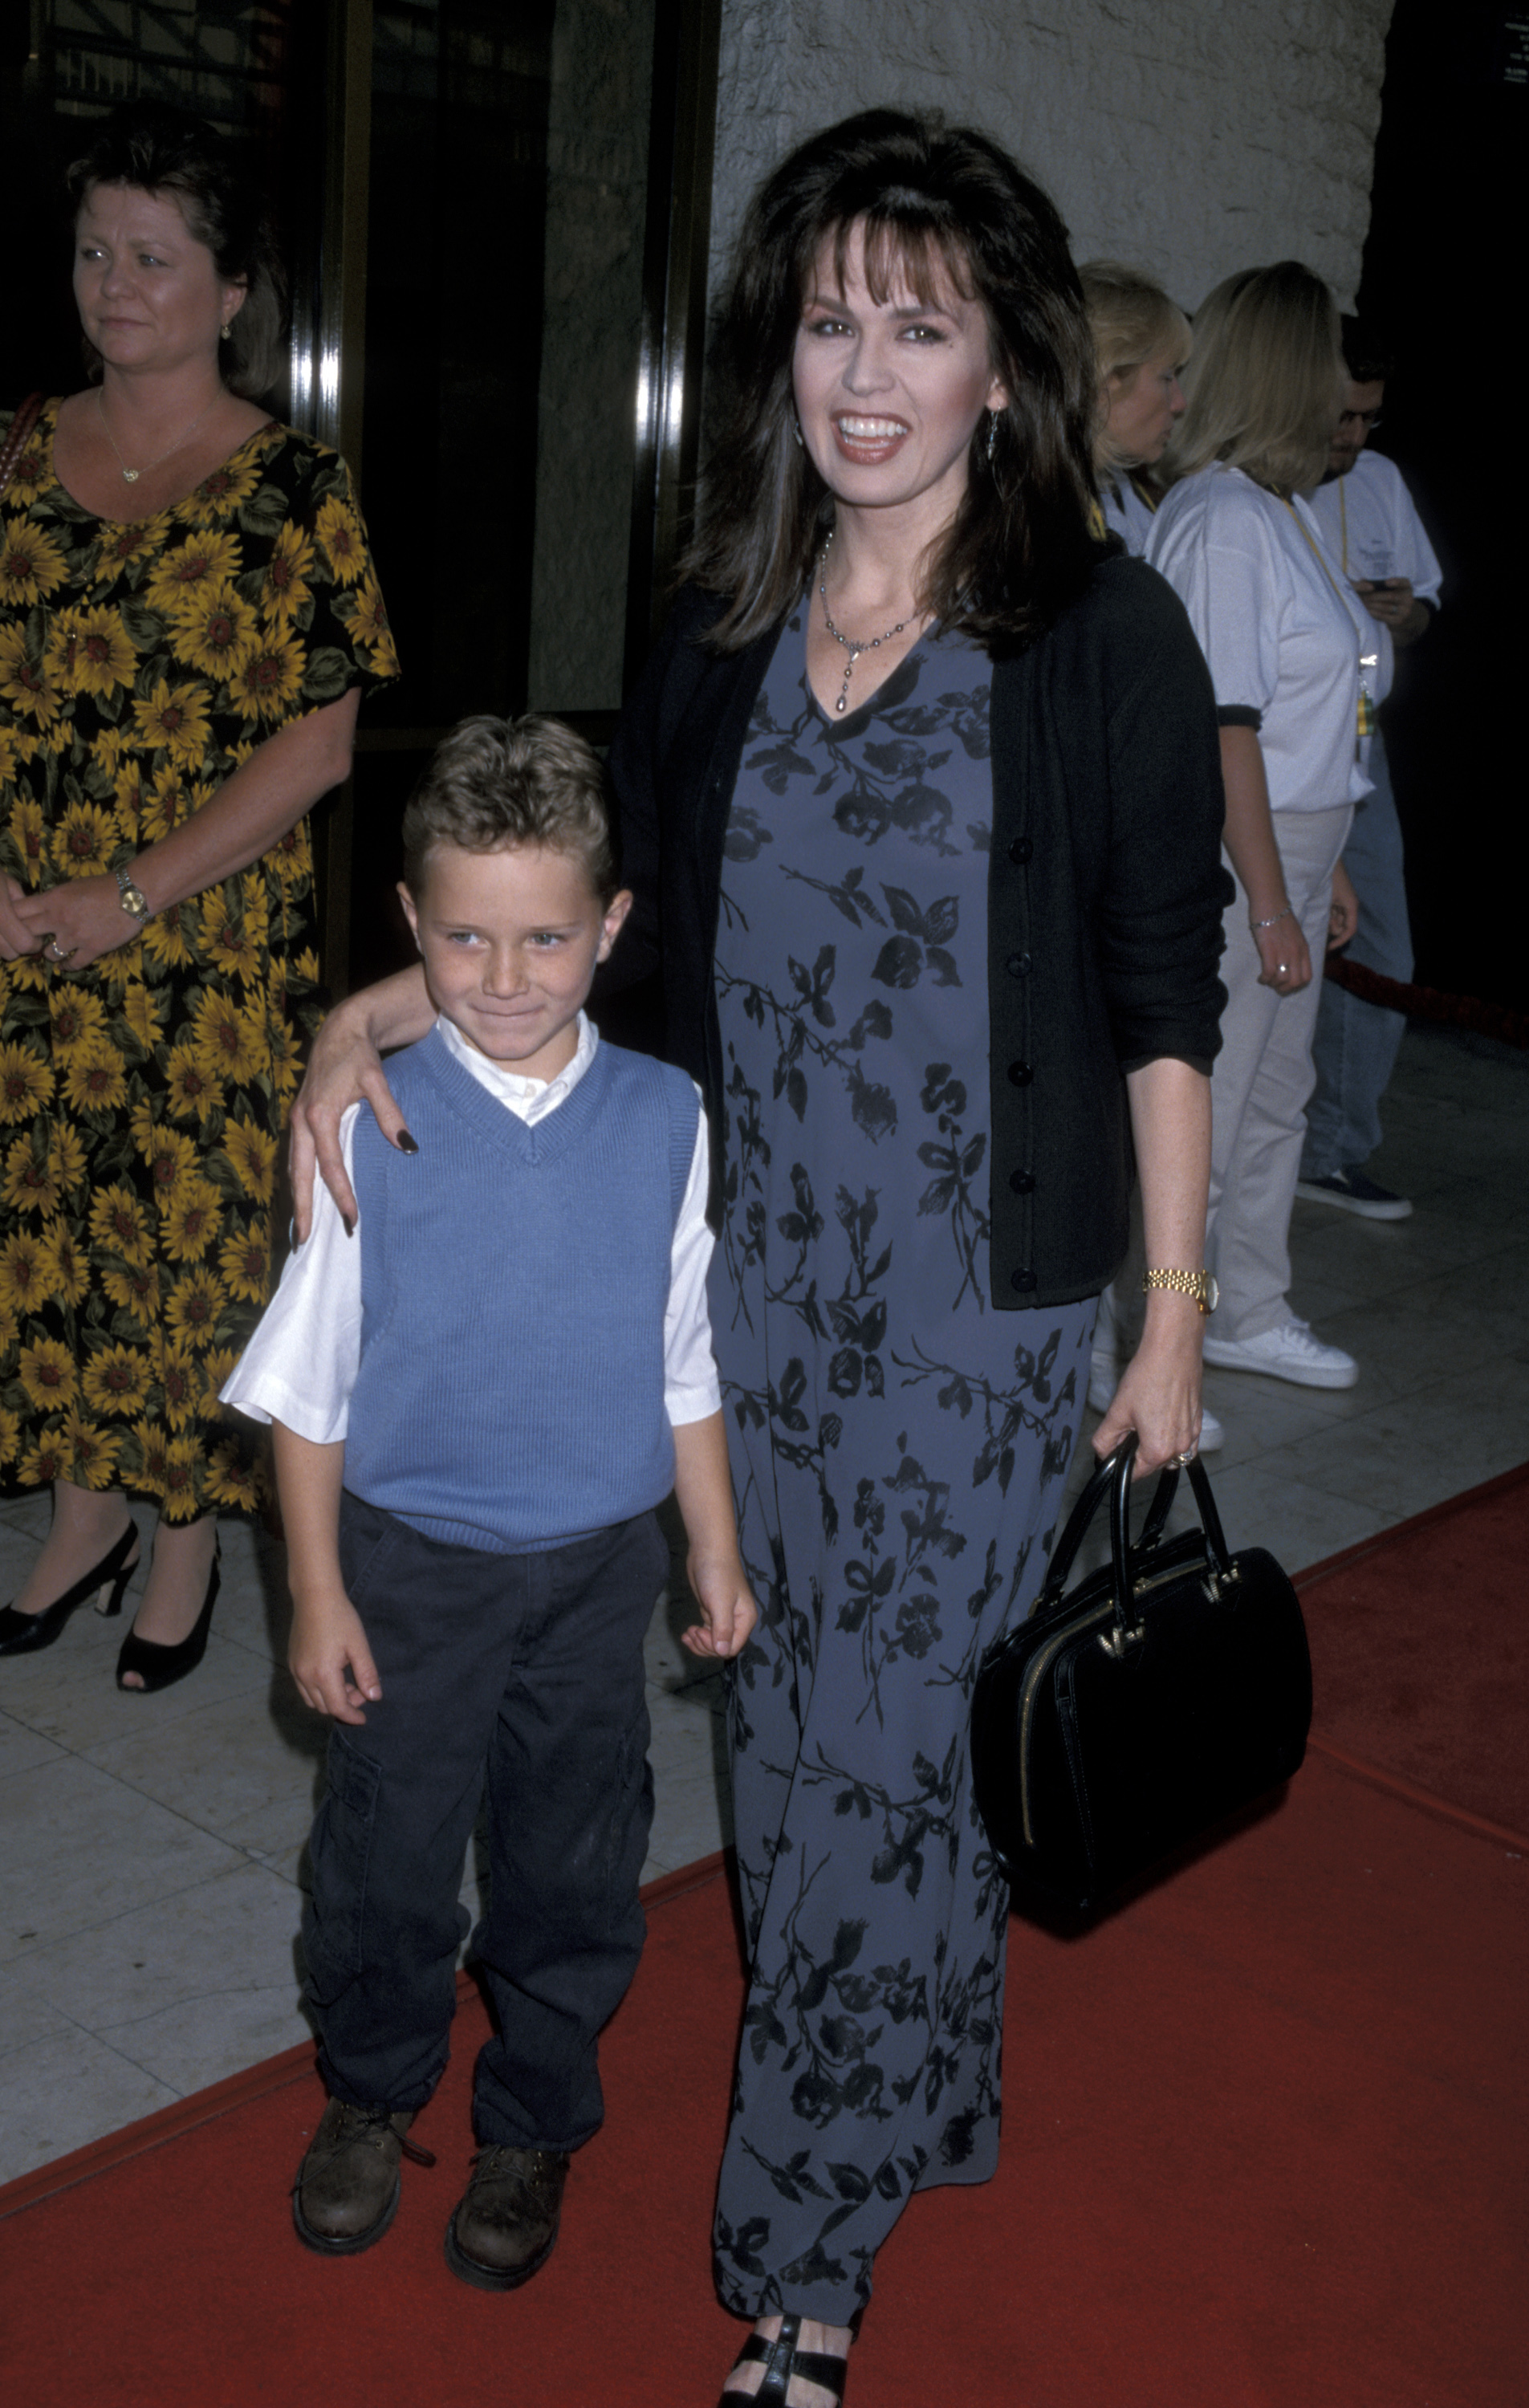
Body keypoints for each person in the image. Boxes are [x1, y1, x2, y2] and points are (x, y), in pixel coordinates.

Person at [288, 110, 1228, 2407]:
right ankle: (927, 2097)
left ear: (1003, 354)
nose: (870, 369)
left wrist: (1179, 1311)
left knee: (880, 1768)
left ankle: (801, 2272)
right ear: (777, 353)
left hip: (975, 1323)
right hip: (732, 1309)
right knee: (804, 1754)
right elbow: (611, 906)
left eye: (921, 321)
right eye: (829, 321)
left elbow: (1157, 991)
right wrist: (380, 996)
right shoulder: (724, 622)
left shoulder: (1100, 635)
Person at [222, 714, 755, 2284]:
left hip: (594, 1576)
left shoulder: (665, 1117)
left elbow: (681, 1356)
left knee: (573, 1865)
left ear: (609, 926)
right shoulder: (365, 1125)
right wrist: (317, 1591)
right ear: (408, 924)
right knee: (385, 1859)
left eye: (541, 937)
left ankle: (533, 2122)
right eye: (462, 938)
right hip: (408, 1569)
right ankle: (374, 2091)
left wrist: (709, 1548)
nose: (503, 977)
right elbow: (309, 1395)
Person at [0, 102, 396, 1688]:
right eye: (96, 250)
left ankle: (185, 1552)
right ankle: (79, 1520)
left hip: (203, 951)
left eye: (154, 257)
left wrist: (133, 897)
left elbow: (319, 744)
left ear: (233, 289)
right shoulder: (16, 455)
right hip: (30, 941)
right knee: (53, 1237)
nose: (115, 283)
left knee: (194, 1253)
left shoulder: (297, 490)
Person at [1147, 262, 1364, 1393]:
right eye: (1326, 359)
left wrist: (1318, 871)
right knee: (1208, 1114)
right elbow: (1225, 725)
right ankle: (1148, 1344)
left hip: (1292, 839)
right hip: (1244, 852)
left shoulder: (1276, 508)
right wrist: (1270, 892)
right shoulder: (1226, 519)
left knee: (1273, 1101)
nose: (1340, 385)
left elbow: (1309, 711)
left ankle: (1248, 1309)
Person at [1077, 262, 1222, 1442]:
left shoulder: (1128, 519)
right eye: (1164, 377)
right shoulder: (1067, 541)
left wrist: (1176, 1312)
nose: (1177, 402)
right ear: (1105, 381)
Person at [1296, 316, 1441, 1219]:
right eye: (1340, 419)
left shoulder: (1381, 481)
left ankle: (1335, 1151)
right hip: (1281, 747)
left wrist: (1399, 614)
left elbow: (1424, 611)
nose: (1352, 440)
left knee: (1382, 943)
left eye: (1369, 420)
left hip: (1363, 741)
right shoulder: (1254, 493)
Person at [1079, 258, 1190, 554]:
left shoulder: (1120, 495)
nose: (1179, 403)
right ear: (1110, 375)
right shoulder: (1025, 509)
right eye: (1166, 377)